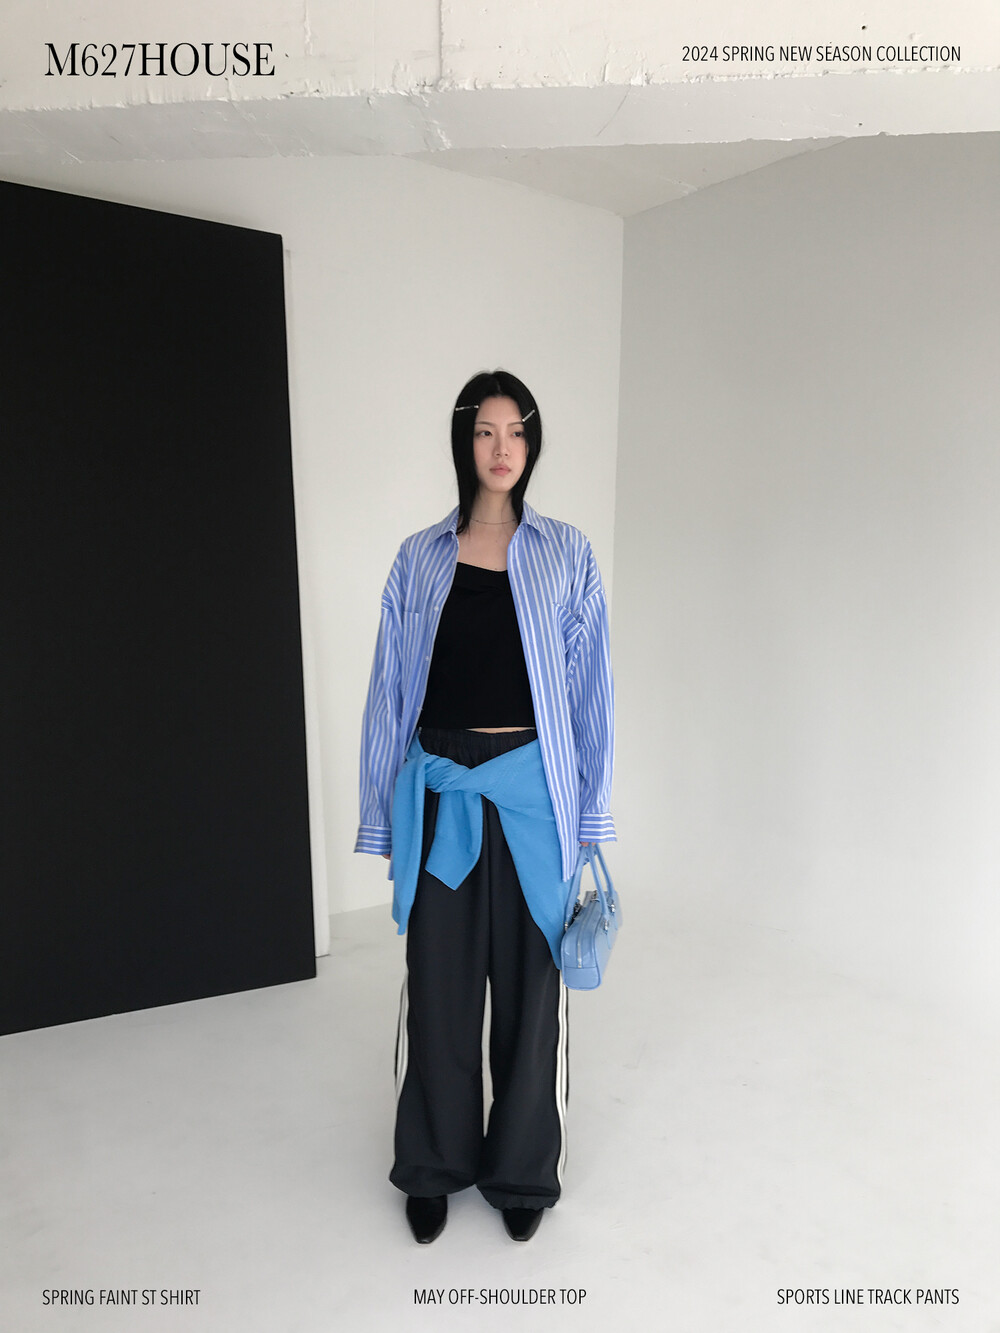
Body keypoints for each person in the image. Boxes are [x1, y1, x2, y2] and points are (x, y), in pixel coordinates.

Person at [355, 369, 615, 1244]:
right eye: (485, 431)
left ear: (532, 445)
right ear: (463, 442)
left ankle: (521, 1172)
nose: (503, 449)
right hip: (441, 785)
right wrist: (382, 816)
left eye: (518, 432)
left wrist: (590, 815)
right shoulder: (418, 556)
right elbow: (389, 692)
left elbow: (591, 693)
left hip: (535, 789)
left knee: (534, 988)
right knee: (440, 982)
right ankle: (433, 1163)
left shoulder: (568, 552)